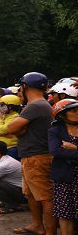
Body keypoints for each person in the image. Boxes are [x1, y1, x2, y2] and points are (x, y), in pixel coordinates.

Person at [7, 72, 57, 235]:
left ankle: (50, 231)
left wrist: (18, 130)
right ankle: (37, 225)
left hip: (37, 156)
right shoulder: (39, 104)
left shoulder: (36, 105)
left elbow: (11, 128)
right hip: (32, 155)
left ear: (25, 86)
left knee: (45, 196)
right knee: (31, 194)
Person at [48, 99, 78, 235]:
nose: (77, 113)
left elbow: (63, 151)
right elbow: (56, 150)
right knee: (65, 212)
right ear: (62, 115)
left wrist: (74, 148)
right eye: (73, 111)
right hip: (65, 176)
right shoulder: (55, 131)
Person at [0, 95, 22, 160]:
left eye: (2, 105)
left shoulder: (15, 117)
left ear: (10, 107)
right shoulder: (4, 116)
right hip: (4, 148)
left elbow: (4, 129)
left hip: (12, 148)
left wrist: (0, 120)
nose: (0, 107)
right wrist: (0, 133)